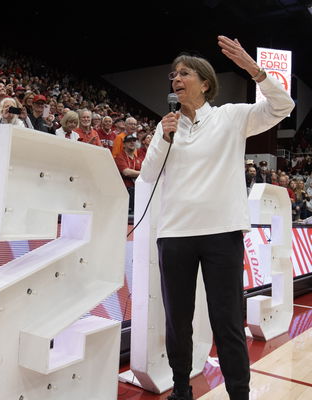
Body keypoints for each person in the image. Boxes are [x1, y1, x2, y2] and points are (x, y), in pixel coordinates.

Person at [140, 36, 294, 400]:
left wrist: (254, 70)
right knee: (178, 322)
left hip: (222, 234)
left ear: (205, 83)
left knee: (226, 322)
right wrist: (163, 136)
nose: (176, 79)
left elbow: (283, 105)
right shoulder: (167, 126)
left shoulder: (231, 117)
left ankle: (239, 393)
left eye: (185, 73)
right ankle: (181, 390)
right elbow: (147, 175)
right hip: (175, 234)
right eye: (173, 75)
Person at [115, 134, 141, 213]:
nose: (132, 143)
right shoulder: (120, 156)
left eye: (134, 141)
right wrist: (142, 173)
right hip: (124, 191)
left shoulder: (137, 159)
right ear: (124, 144)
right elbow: (126, 172)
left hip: (136, 191)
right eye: (129, 141)